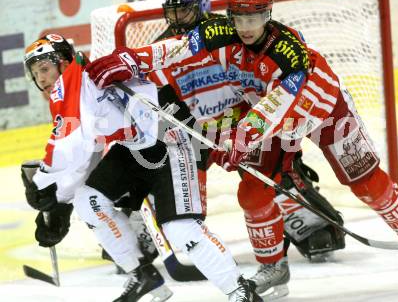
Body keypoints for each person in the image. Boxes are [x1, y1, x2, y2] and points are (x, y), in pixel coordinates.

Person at [85, 0, 398, 297]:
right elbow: (175, 48)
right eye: (238, 18)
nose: (245, 27)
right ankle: (274, 266)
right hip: (268, 122)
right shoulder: (220, 31)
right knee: (252, 194)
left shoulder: (288, 52)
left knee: (365, 184)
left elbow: (277, 103)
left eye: (253, 18)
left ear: (268, 14)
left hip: (322, 109)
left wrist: (240, 138)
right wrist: (131, 60)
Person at [23, 34, 261, 302]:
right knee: (88, 200)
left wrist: (46, 189)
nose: (41, 78)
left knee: (180, 229)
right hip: (136, 148)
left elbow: (67, 148)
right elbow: (88, 149)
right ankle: (144, 276)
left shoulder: (73, 83)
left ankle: (241, 290)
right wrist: (62, 201)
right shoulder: (76, 85)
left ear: (64, 63)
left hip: (170, 141)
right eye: (35, 73)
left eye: (45, 68)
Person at [156, 0, 346, 264]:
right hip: (195, 126)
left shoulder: (230, 30)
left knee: (271, 176)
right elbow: (156, 86)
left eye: (183, 10)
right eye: (173, 12)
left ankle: (308, 225)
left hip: (241, 120)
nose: (178, 18)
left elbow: (270, 69)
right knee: (169, 170)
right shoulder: (166, 44)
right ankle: (160, 239)